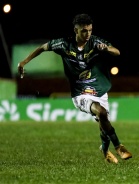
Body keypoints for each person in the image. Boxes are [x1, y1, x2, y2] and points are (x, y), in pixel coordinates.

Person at [17, 13, 132, 164]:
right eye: (84, 31)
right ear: (75, 30)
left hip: (99, 90)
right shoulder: (64, 45)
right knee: (101, 113)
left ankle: (104, 150)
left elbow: (116, 51)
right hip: (80, 93)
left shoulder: (95, 41)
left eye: (90, 30)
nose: (88, 34)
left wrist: (106, 49)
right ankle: (119, 146)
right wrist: (23, 63)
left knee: (103, 122)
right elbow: (42, 47)